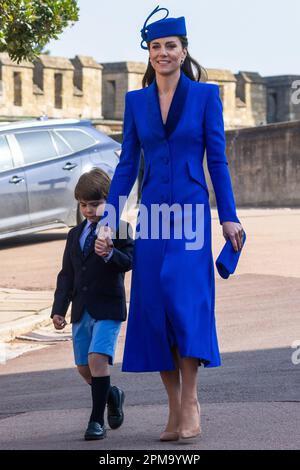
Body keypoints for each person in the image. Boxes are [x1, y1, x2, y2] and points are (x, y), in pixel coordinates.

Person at [97, 5, 245, 441]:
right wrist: (108, 220)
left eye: (171, 46)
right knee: (154, 308)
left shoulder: (205, 97)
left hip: (192, 217)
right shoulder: (136, 102)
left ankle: (191, 401)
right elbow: (126, 165)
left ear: (183, 52)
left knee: (184, 303)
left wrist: (230, 217)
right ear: (148, 53)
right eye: (156, 46)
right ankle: (173, 408)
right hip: (153, 220)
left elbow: (217, 160)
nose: (163, 53)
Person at [51, 168, 134, 441]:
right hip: (81, 310)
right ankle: (112, 394)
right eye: (83, 204)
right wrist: (58, 309)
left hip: (109, 308)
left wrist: (111, 253)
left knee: (97, 360)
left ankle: (96, 421)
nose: (88, 210)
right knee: (84, 369)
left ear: (109, 202)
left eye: (96, 204)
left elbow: (131, 261)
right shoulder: (74, 235)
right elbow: (67, 275)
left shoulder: (120, 228)